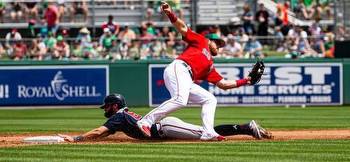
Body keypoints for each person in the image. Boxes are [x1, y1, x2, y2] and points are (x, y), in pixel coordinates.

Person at [136, 1, 256, 141]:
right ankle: (146, 121)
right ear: (209, 40)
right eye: (217, 43)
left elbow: (224, 84)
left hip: (187, 77)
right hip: (179, 67)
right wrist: (170, 13)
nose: (219, 46)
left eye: (220, 45)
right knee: (180, 100)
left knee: (210, 99)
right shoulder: (201, 40)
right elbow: (182, 28)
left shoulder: (210, 65)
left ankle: (208, 132)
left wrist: (245, 81)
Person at [58, 94, 272, 142]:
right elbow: (104, 134)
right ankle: (247, 128)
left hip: (165, 128)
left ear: (114, 106)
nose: (105, 109)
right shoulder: (123, 117)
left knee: (208, 135)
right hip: (164, 127)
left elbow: (99, 132)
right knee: (209, 131)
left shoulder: (118, 117)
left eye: (107, 106)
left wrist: (76, 139)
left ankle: (247, 128)